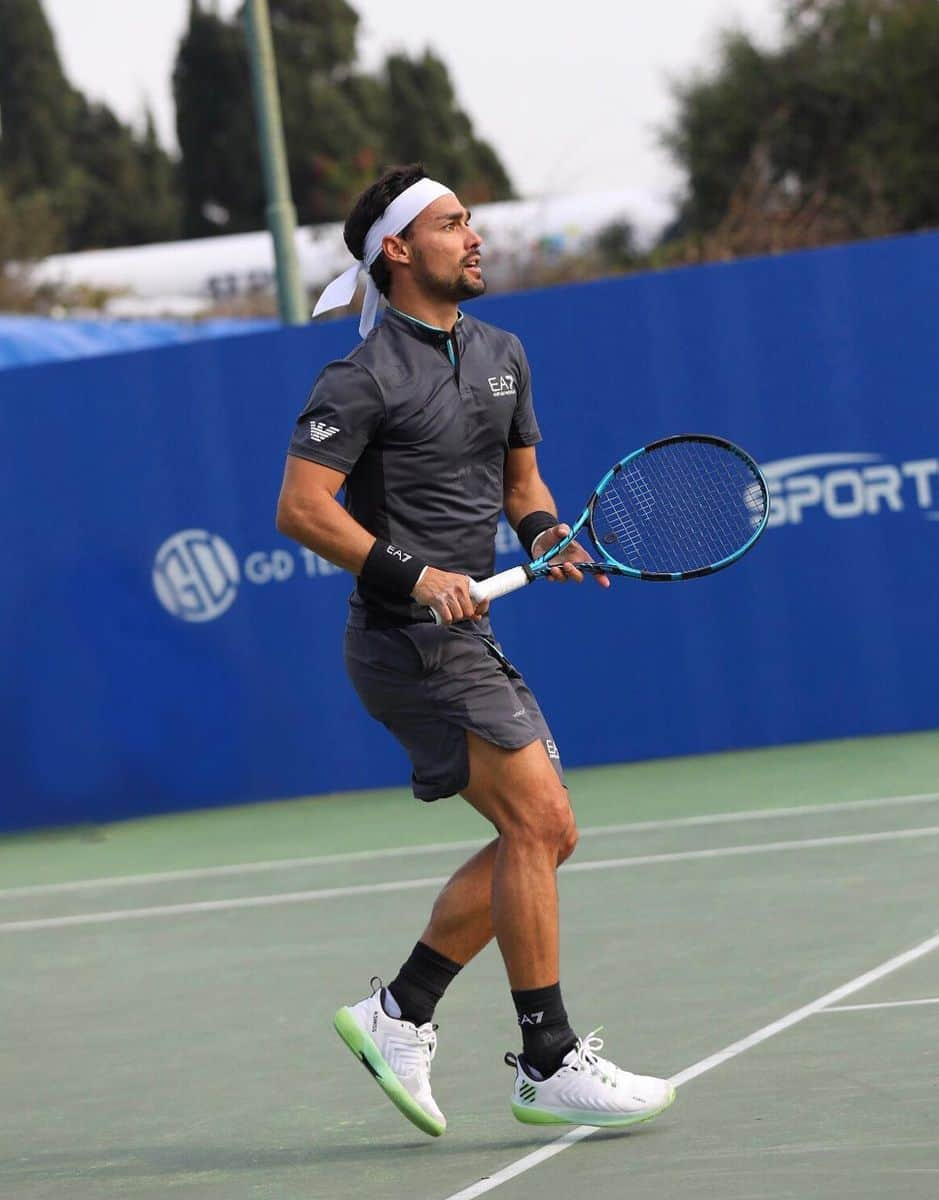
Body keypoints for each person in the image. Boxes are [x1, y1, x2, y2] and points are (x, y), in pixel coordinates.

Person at [276, 164, 675, 1137]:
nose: (476, 237)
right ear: (401, 251)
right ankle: (547, 1059)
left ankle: (401, 1010)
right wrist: (414, 574)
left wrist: (544, 537)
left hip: (466, 629)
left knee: (543, 836)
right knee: (539, 821)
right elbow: (301, 509)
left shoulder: (503, 352)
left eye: (471, 222)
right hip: (404, 640)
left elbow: (522, 485)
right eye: (453, 224)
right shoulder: (360, 376)